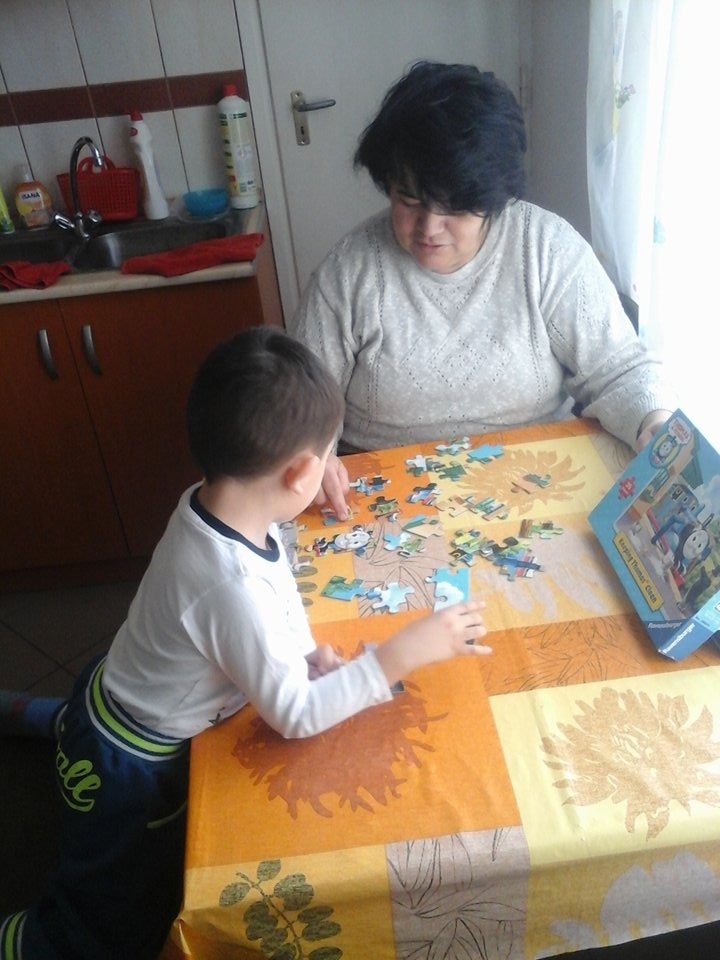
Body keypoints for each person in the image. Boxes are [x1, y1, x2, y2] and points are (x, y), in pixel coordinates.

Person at [0, 326, 490, 960]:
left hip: (114, 688)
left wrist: (303, 652)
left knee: (84, 723)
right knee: (111, 917)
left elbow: (269, 587)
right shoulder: (230, 584)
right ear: (301, 473)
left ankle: (45, 718)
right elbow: (293, 716)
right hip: (131, 764)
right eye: (328, 456)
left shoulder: (216, 504)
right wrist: (401, 653)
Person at [287, 61, 678, 519]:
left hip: (537, 486)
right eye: (409, 200)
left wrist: (653, 421)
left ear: (496, 199)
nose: (429, 227)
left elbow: (620, 370)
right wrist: (313, 454)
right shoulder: (348, 272)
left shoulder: (545, 248)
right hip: (387, 499)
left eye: (455, 207)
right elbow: (296, 405)